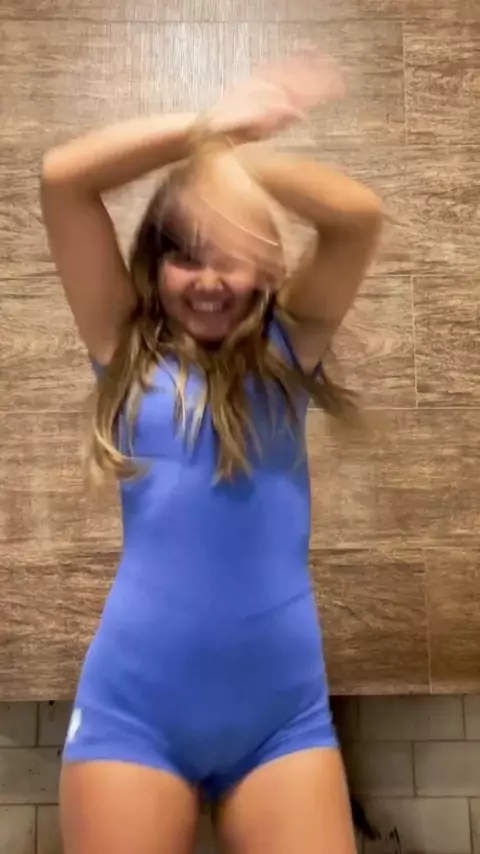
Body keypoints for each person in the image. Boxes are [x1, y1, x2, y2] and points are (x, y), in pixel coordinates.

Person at [41, 52, 383, 854]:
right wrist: (211, 133)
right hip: (135, 716)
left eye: (228, 253)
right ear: (154, 267)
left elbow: (357, 218)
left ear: (263, 265)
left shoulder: (288, 352)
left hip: (282, 724)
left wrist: (243, 171)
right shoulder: (123, 351)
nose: (207, 279)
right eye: (185, 255)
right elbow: (64, 180)